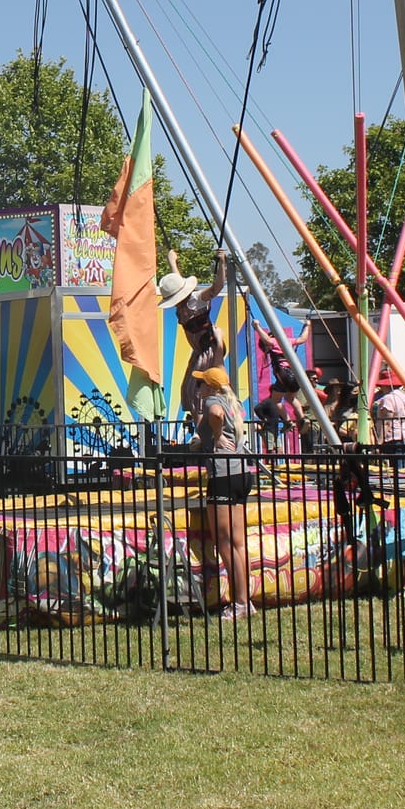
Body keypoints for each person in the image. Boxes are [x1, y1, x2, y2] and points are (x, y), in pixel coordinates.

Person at [192, 367, 255, 620]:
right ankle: (245, 600)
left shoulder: (213, 401)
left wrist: (217, 437)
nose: (199, 388)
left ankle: (240, 603)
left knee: (225, 542)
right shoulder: (234, 403)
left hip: (222, 475)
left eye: (201, 384)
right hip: (241, 473)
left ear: (209, 387)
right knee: (238, 543)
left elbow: (215, 414)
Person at [159, 248, 229, 420]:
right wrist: (172, 262)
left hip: (209, 349)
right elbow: (177, 282)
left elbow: (217, 287)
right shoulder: (182, 303)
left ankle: (204, 424)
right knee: (188, 390)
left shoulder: (197, 299)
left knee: (196, 390)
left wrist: (222, 263)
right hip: (198, 351)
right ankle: (201, 424)